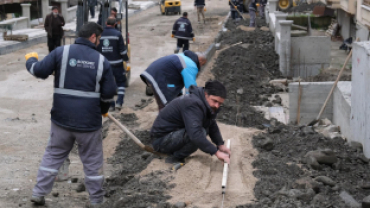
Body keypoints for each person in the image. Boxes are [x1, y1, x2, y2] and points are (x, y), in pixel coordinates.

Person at [25, 22, 116, 208]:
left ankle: (39, 193)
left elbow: (39, 71)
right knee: (92, 161)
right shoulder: (101, 61)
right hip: (89, 123)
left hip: (61, 119)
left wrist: (31, 60)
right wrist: (104, 108)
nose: (99, 42)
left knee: (53, 155)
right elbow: (109, 92)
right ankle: (96, 201)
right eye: (98, 39)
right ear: (93, 37)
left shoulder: (61, 52)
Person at [151, 81, 231, 164]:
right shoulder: (192, 103)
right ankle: (175, 157)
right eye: (215, 101)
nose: (217, 106)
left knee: (204, 128)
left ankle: (176, 152)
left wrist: (220, 144)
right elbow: (195, 134)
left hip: (174, 134)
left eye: (220, 103)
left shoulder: (203, 102)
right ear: (206, 94)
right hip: (161, 141)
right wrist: (216, 152)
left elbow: (211, 123)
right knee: (198, 133)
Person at [140, 51, 207, 111]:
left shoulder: (184, 57)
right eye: (202, 64)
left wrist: (179, 95)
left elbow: (175, 79)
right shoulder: (191, 65)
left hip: (154, 73)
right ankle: (163, 123)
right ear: (200, 61)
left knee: (172, 103)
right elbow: (191, 88)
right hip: (158, 77)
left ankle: (166, 122)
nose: (201, 67)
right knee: (166, 106)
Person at [98, 17, 129, 111]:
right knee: (120, 83)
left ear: (105, 22)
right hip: (117, 64)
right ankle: (119, 102)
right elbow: (122, 51)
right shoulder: (117, 34)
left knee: (107, 85)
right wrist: (126, 59)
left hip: (104, 64)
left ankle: (111, 105)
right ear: (115, 24)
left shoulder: (100, 34)